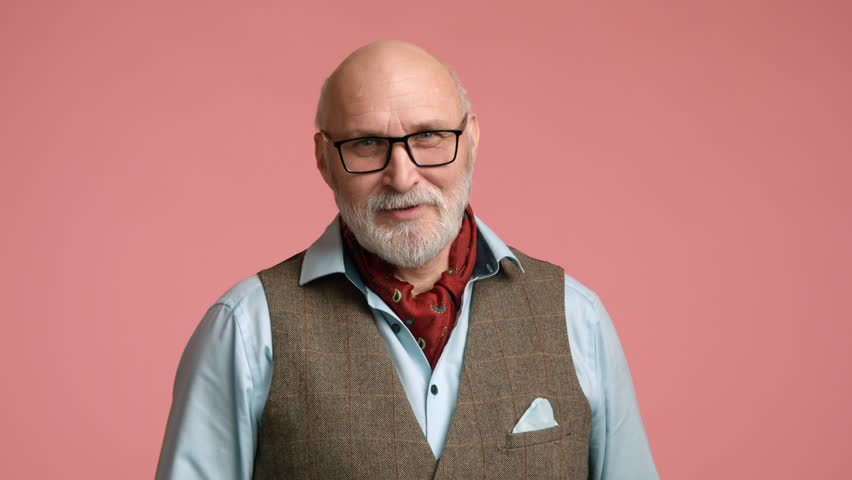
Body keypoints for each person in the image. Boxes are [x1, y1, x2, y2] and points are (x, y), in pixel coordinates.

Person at [156, 40, 659, 479]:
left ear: (472, 139)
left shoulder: (578, 318)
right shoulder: (247, 330)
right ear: (324, 159)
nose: (402, 176)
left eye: (428, 137)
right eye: (368, 143)